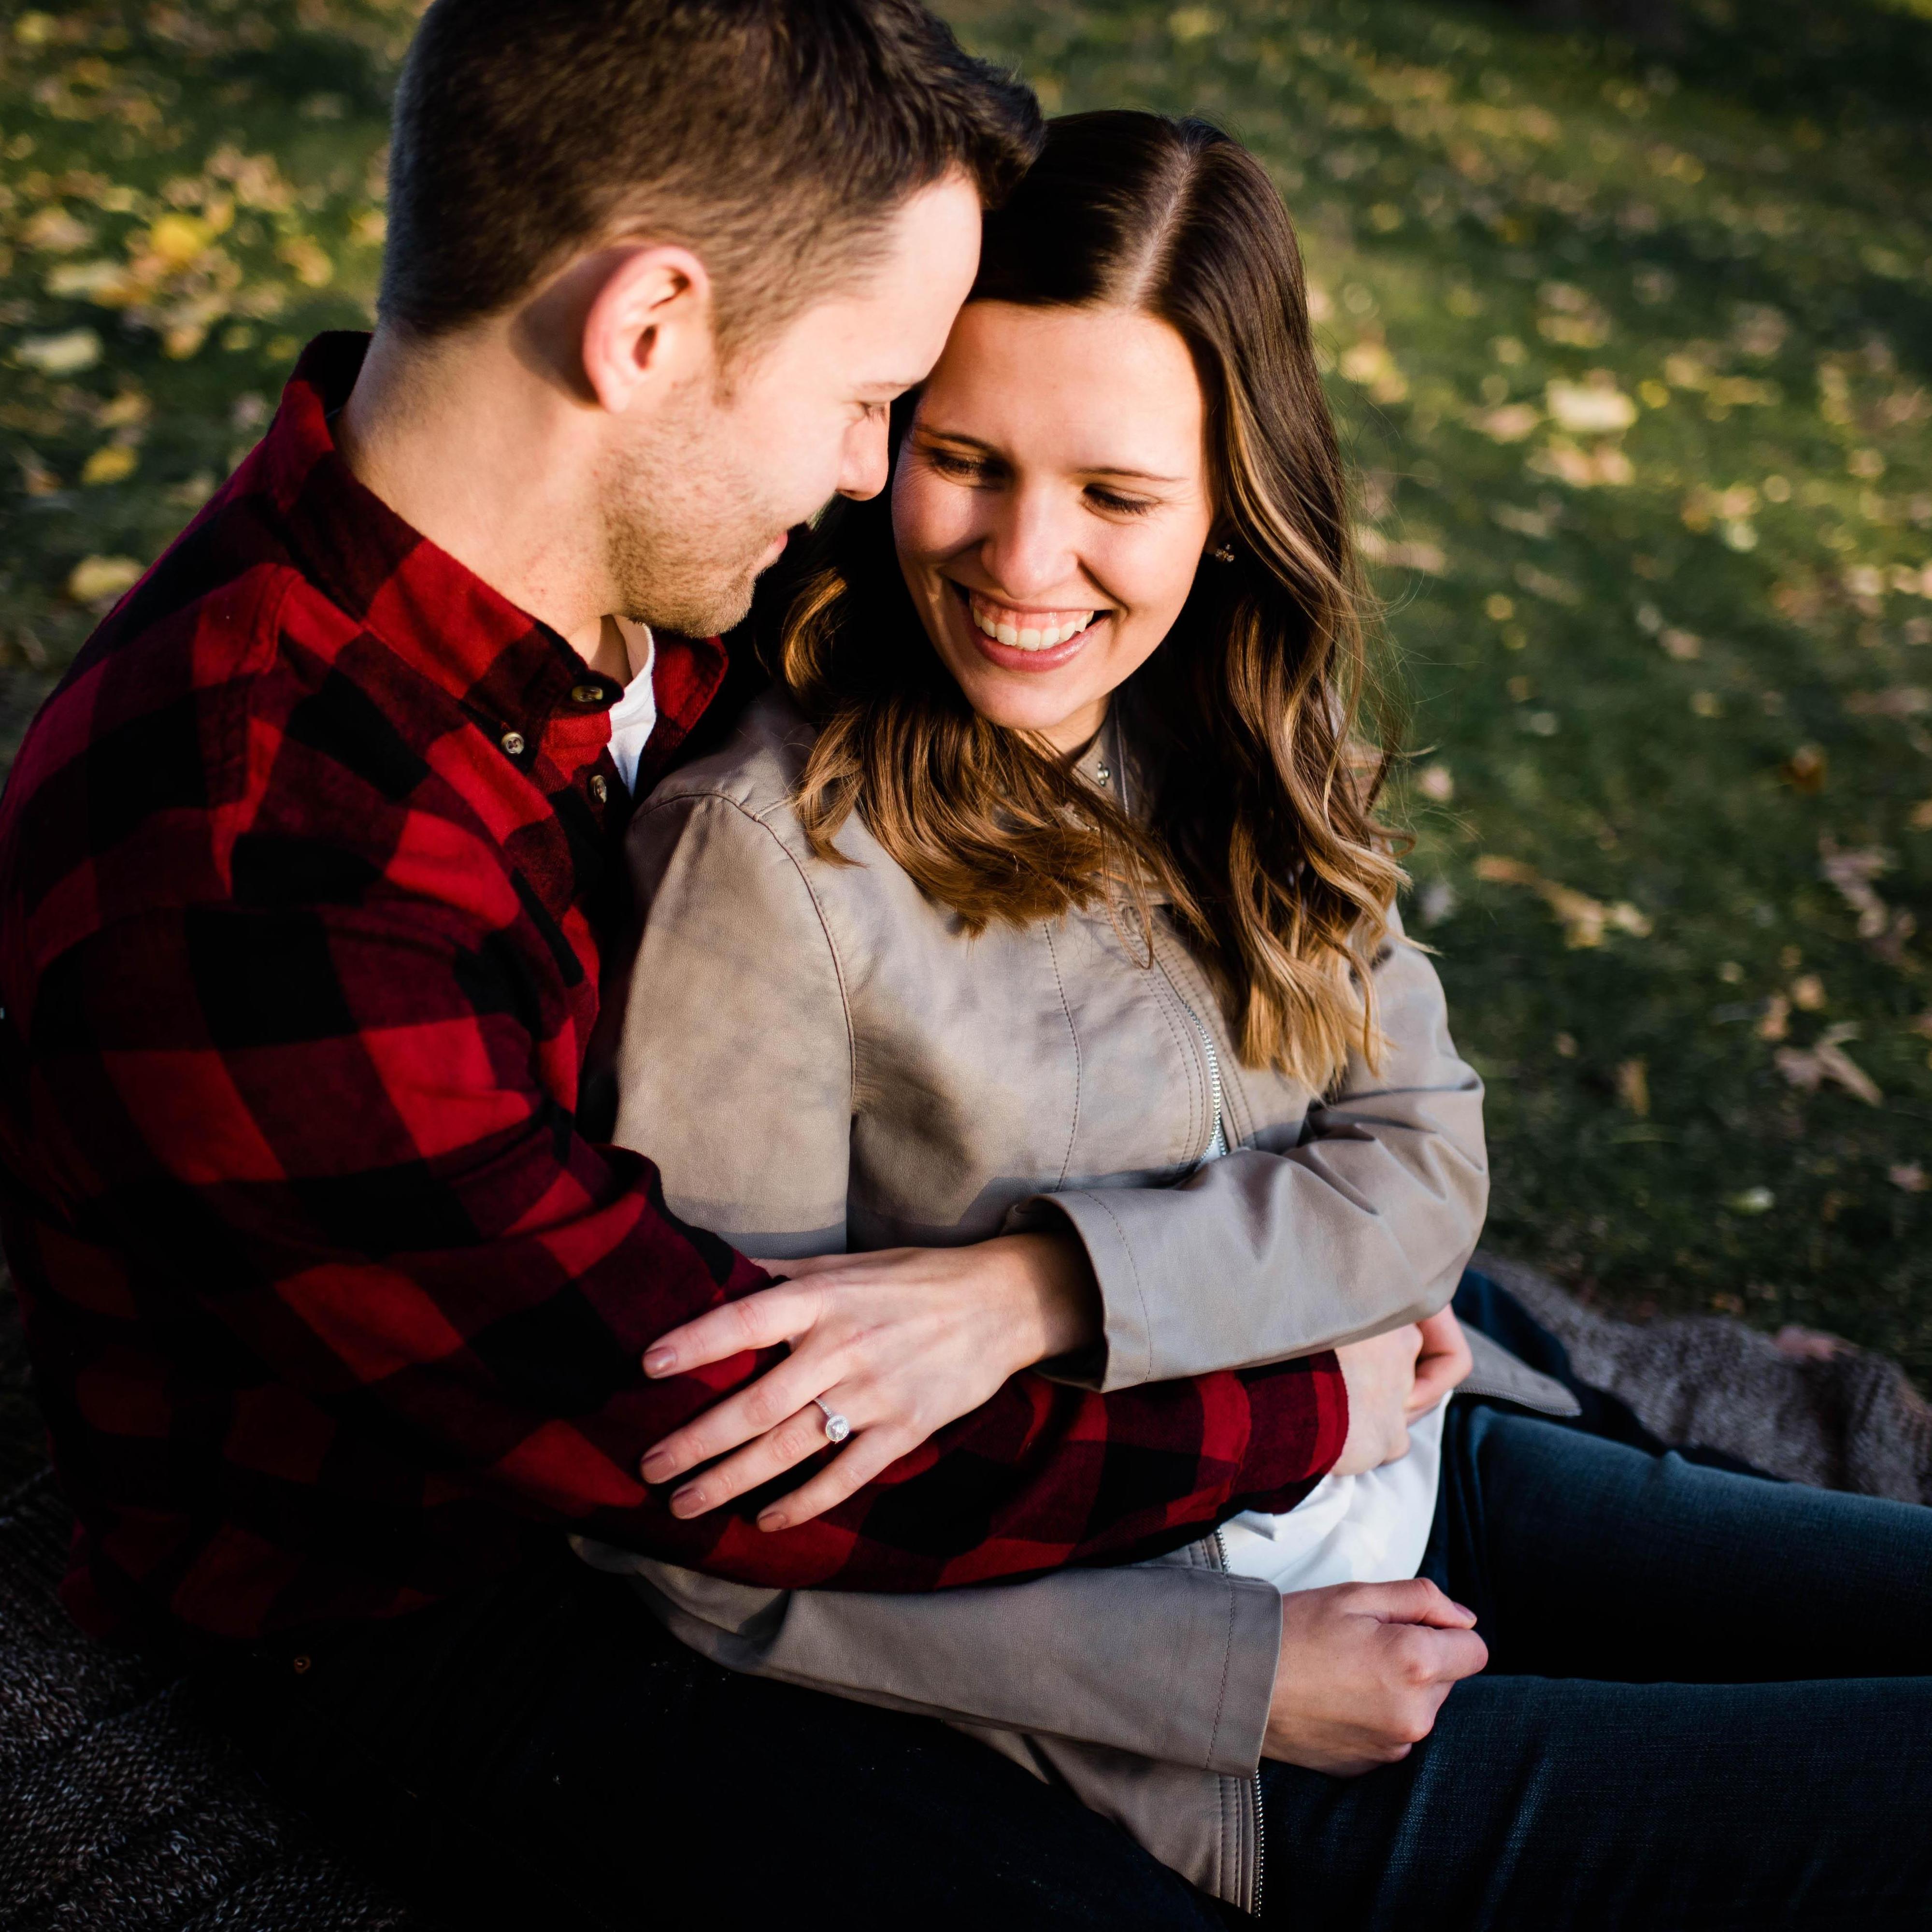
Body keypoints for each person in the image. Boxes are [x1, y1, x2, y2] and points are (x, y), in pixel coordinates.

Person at [0, 9, 1429, 1928]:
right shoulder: (263, 876)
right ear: (650, 326)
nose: (867, 476)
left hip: (816, 1399)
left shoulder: (634, 595)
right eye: (867, 399)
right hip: (455, 1602)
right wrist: (1301, 1396)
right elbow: (718, 1441)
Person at [591, 111, 1932, 1928]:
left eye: (1118, 497)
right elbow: (707, 1526)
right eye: (963, 460)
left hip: (1417, 1461)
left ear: (1235, 499)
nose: (1023, 562)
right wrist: (1234, 1681)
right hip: (1223, 1710)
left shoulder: (1230, 741)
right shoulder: (767, 862)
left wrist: (1044, 1290)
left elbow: (1423, 1155)